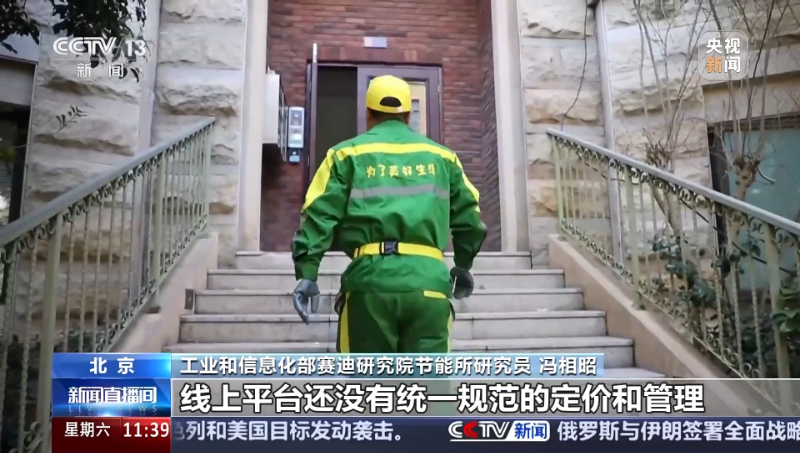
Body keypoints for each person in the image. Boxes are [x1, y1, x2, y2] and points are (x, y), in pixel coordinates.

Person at [291, 74, 486, 353]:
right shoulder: (444, 158)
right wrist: (463, 264)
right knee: (427, 379)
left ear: (368, 113)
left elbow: (318, 215)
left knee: (370, 378)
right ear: (408, 115)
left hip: (369, 283)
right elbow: (470, 218)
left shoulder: (345, 155)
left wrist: (308, 272)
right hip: (428, 281)